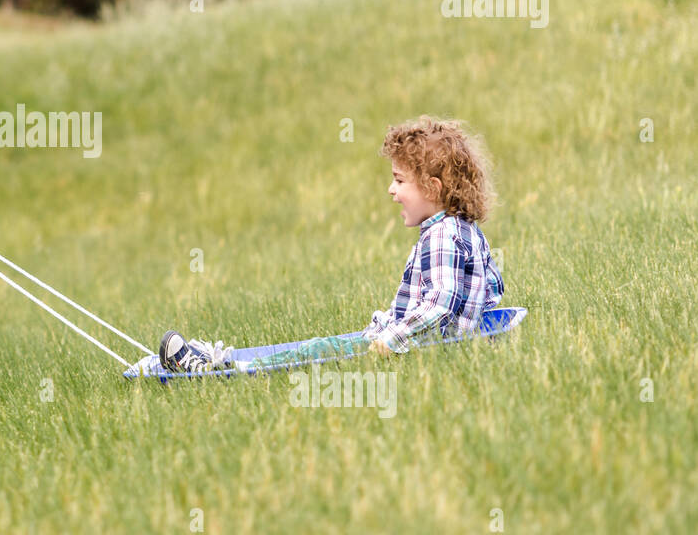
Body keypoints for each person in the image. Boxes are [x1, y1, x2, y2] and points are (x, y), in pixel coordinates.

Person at [159, 116, 505, 372]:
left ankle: (215, 368)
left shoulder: (443, 237)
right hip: (410, 341)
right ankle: (223, 361)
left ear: (431, 188)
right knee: (314, 349)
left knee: (314, 350)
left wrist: (392, 340)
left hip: (402, 345)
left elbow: (441, 304)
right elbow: (491, 289)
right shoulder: (465, 230)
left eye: (399, 180)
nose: (391, 190)